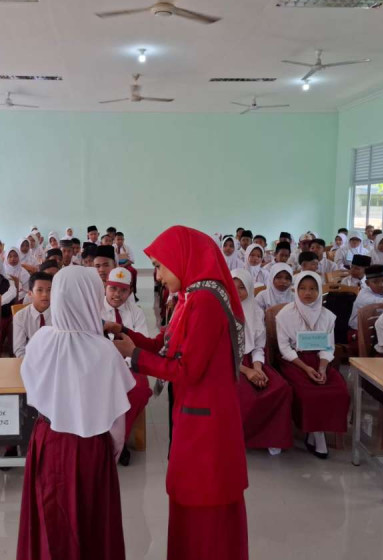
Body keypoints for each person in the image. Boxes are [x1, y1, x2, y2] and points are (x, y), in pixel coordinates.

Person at [110, 226, 248, 560]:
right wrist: (125, 332)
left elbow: (187, 369)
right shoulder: (189, 297)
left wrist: (134, 355)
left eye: (160, 266)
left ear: (182, 260)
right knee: (190, 495)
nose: (156, 275)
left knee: (205, 498)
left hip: (207, 421)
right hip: (194, 412)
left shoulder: (205, 302)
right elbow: (164, 345)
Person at [17, 267, 133, 560]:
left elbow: (32, 390)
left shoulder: (41, 340)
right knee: (91, 521)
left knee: (49, 518)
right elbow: (117, 421)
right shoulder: (104, 350)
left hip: (48, 440)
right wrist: (114, 448)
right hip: (91, 447)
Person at [275, 272, 350, 459]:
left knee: (338, 389)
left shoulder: (327, 316)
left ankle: (319, 432)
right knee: (309, 391)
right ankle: (317, 436)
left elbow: (328, 347)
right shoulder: (285, 315)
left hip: (319, 361)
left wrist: (322, 367)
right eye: (302, 288)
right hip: (294, 361)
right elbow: (284, 348)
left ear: (319, 290)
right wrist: (306, 368)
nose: (307, 293)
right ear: (296, 289)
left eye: (312, 288)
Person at [232, 268, 293, 455]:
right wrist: (247, 372)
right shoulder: (220, 311)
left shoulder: (255, 311)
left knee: (280, 388)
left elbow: (259, 345)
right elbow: (222, 352)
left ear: (249, 289)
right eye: (232, 287)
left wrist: (257, 367)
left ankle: (271, 437)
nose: (237, 292)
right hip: (230, 365)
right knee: (245, 394)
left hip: (252, 360)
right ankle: (240, 439)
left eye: (242, 288)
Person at [102, 267, 151, 466]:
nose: (117, 295)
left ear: (130, 292)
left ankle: (119, 442)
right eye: (113, 288)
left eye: (123, 290)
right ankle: (101, 441)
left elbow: (142, 344)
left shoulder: (136, 313)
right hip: (101, 367)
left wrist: (126, 364)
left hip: (129, 365)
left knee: (140, 390)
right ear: (106, 287)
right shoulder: (94, 310)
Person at [12, 272, 53, 358]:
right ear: (30, 293)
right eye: (39, 290)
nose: (45, 294)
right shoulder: (20, 317)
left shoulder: (60, 315)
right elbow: (19, 349)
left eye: (49, 290)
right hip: (29, 361)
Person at [348, 264, 383, 333]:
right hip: (358, 332)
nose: (381, 285)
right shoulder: (364, 295)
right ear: (367, 283)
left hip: (376, 328)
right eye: (375, 282)